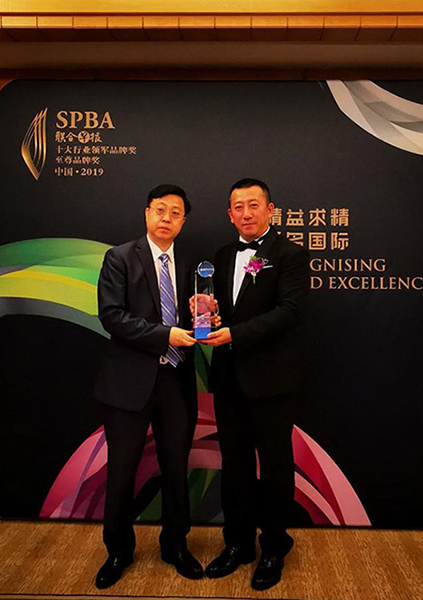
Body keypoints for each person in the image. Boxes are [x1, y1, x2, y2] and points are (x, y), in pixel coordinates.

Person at [94, 184, 203, 589]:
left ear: (183, 221)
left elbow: (194, 320)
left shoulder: (190, 263)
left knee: (176, 468)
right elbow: (112, 316)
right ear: (146, 213)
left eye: (175, 213)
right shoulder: (120, 257)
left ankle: (176, 545)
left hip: (176, 381)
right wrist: (165, 336)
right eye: (160, 209)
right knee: (122, 471)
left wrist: (203, 316)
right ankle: (118, 551)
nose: (166, 218)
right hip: (128, 384)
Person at [203, 178, 309, 591]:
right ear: (229, 214)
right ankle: (238, 543)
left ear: (270, 210)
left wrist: (235, 333)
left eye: (253, 205)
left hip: (272, 381)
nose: (246, 213)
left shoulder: (290, 254)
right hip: (229, 379)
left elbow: (290, 311)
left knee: (276, 466)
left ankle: (274, 547)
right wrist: (210, 315)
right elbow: (227, 312)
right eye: (238, 207)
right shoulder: (222, 255)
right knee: (235, 465)